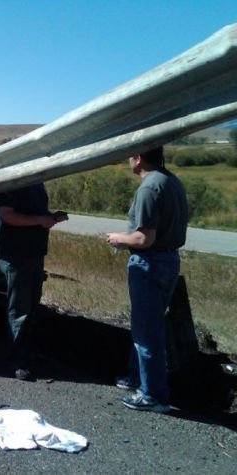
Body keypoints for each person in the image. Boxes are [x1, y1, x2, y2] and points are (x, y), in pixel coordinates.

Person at [105, 146, 188, 413]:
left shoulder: (148, 188)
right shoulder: (170, 181)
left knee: (146, 329)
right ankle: (137, 377)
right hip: (168, 260)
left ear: (138, 157)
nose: (129, 159)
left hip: (149, 262)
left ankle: (152, 394)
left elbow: (143, 238)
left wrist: (118, 238)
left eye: (131, 154)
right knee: (148, 323)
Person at [0, 183, 67, 381]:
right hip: (16, 253)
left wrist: (51, 218)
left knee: (31, 308)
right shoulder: (14, 181)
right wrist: (41, 220)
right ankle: (16, 361)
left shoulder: (38, 183)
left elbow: (35, 215)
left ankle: (27, 354)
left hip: (35, 254)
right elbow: (7, 215)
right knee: (19, 310)